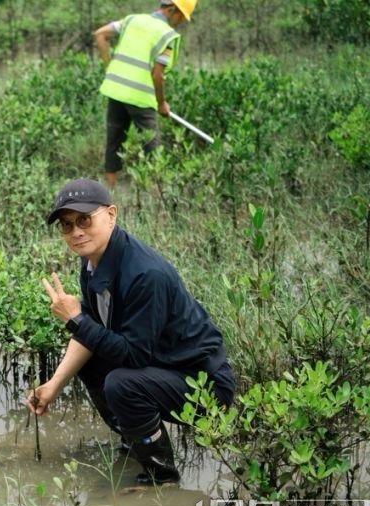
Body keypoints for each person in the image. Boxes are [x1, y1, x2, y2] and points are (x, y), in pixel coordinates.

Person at [26, 179, 235, 484]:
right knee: (92, 359)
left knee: (122, 383)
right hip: (164, 367)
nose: (76, 232)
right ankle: (135, 438)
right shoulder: (91, 263)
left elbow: (134, 356)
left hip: (206, 386)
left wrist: (76, 320)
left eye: (85, 220)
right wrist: (54, 385)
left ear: (111, 214)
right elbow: (92, 333)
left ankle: (160, 477)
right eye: (67, 225)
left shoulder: (145, 274)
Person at [92, 0, 196, 189]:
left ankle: (111, 190)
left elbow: (100, 34)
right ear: (172, 10)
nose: (181, 21)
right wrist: (161, 103)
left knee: (114, 140)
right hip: (140, 97)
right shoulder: (166, 35)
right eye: (182, 16)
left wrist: (110, 66)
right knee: (152, 146)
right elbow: (158, 74)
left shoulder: (132, 20)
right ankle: (157, 195)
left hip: (116, 90)